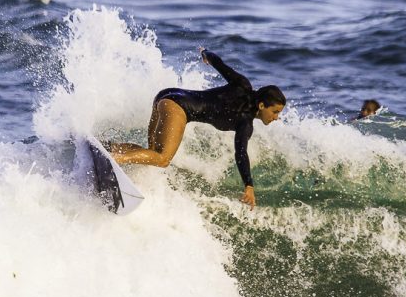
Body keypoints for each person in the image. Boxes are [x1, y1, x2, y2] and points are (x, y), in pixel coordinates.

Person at [110, 47, 286, 210]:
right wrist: (249, 185)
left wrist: (206, 53)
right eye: (275, 111)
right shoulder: (245, 123)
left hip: (167, 95)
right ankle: (116, 158)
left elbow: (219, 63)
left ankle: (111, 148)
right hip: (178, 107)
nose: (276, 117)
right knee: (163, 159)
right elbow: (241, 153)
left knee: (153, 153)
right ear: (262, 105)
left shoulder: (243, 84)